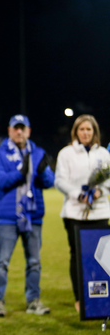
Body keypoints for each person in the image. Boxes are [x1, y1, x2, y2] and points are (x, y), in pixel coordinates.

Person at [0, 114, 55, 317]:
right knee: (2, 262)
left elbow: (49, 181)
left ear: (28, 131)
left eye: (22, 128)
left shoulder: (38, 152)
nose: (19, 132)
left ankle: (33, 301)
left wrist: (42, 172)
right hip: (8, 217)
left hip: (33, 216)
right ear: (9, 131)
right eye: (15, 128)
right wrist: (21, 173)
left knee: (34, 262)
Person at [54, 114, 110, 312]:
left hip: (100, 211)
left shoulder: (103, 153)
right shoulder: (66, 153)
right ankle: (80, 299)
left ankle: (101, 298)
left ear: (94, 132)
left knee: (102, 257)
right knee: (78, 257)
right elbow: (60, 180)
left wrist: (99, 191)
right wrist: (80, 195)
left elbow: (108, 180)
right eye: (81, 129)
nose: (85, 133)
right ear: (75, 132)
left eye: (89, 129)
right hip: (74, 213)